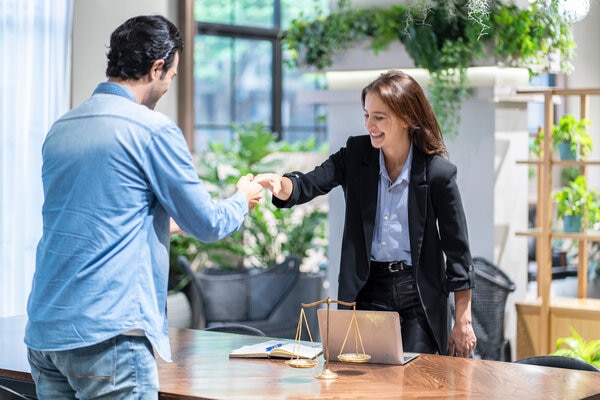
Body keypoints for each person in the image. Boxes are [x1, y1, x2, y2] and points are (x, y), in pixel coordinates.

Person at [24, 15, 263, 399]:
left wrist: (169, 222)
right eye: (171, 75)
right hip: (108, 338)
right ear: (157, 68)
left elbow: (102, 222)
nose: (168, 86)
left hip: (47, 333)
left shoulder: (62, 127)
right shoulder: (151, 129)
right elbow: (208, 224)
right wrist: (241, 199)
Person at [255, 69, 476, 357]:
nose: (370, 124)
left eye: (379, 117)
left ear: (407, 118)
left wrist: (463, 319)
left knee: (416, 382)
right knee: (366, 380)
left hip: (417, 297)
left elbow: (458, 253)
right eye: (366, 115)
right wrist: (282, 185)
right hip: (368, 290)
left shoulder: (437, 174)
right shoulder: (356, 154)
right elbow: (311, 183)